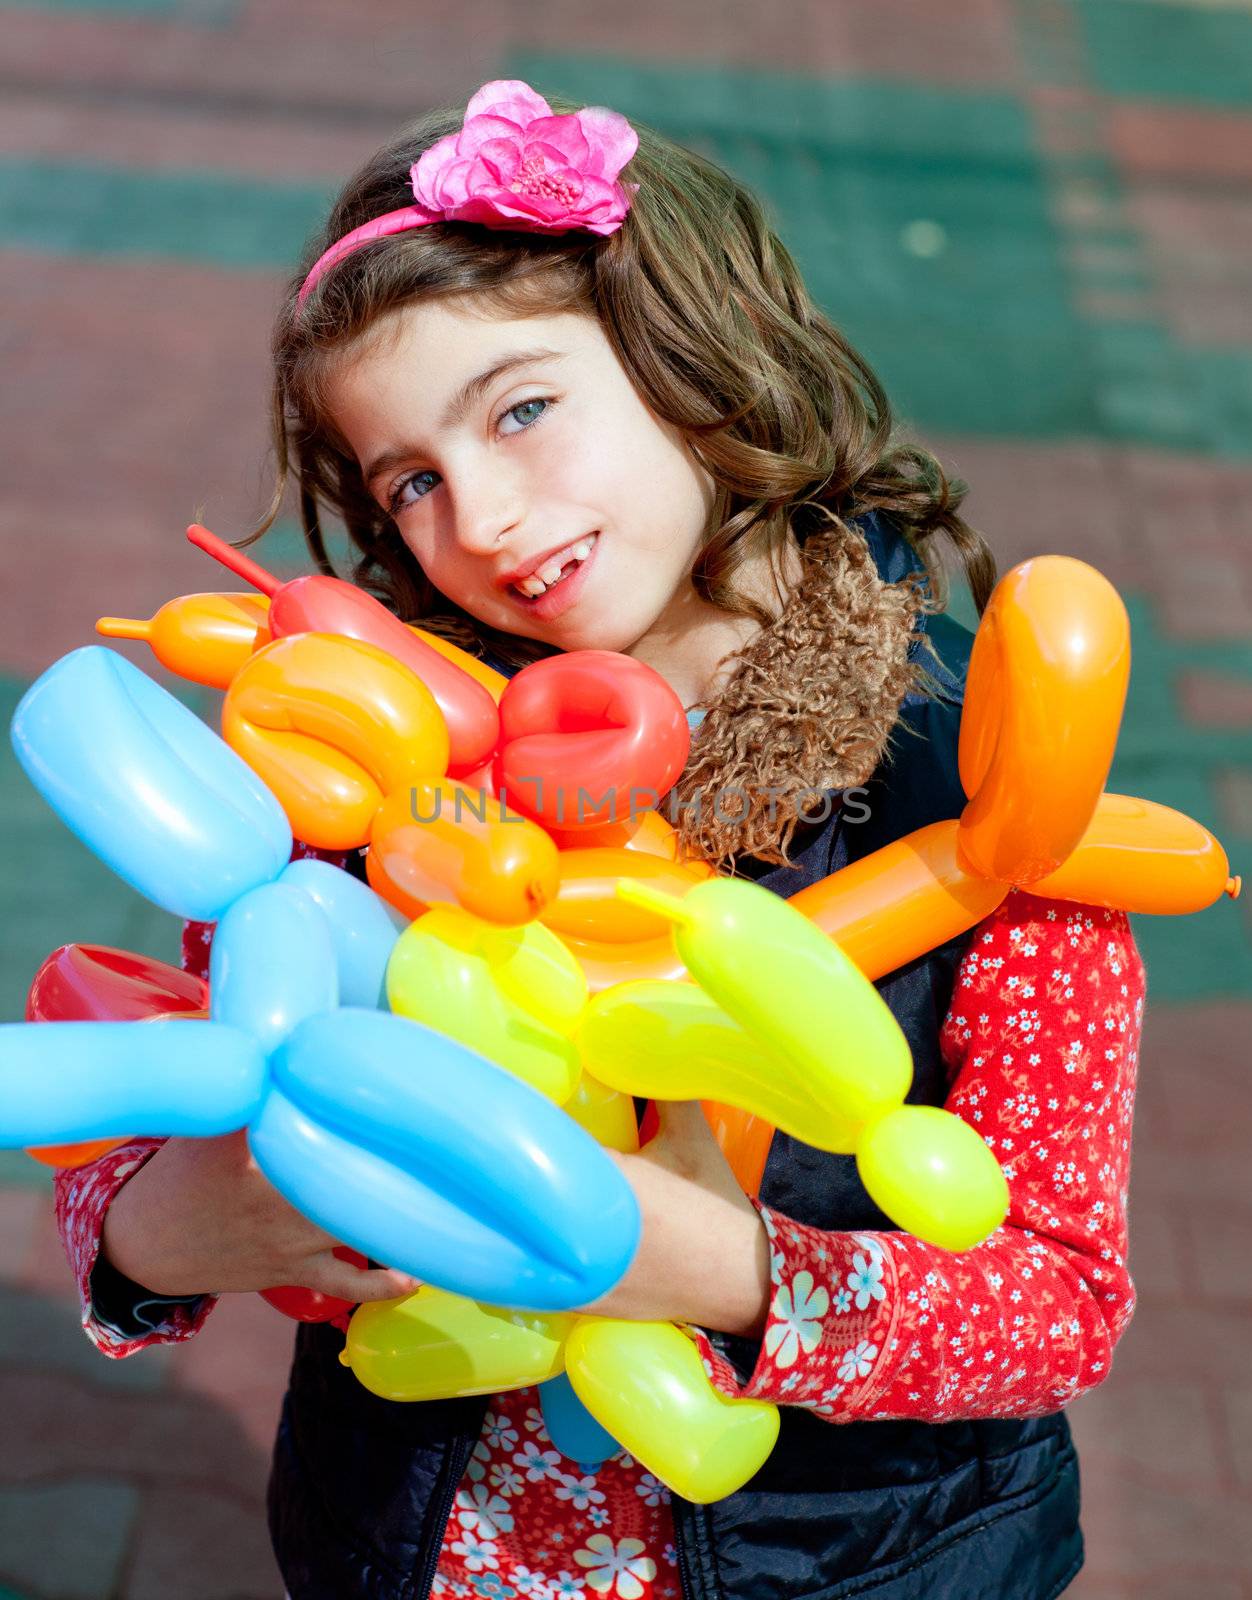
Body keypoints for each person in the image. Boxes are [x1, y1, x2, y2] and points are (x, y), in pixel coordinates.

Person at [53, 80, 1144, 1600]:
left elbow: (1056, 1303)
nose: (485, 520)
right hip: (418, 1552)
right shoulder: (370, 760)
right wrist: (174, 1229)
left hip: (856, 1564)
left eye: (521, 408)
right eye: (410, 482)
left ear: (689, 355)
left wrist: (712, 1267)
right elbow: (149, 1115)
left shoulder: (983, 777)